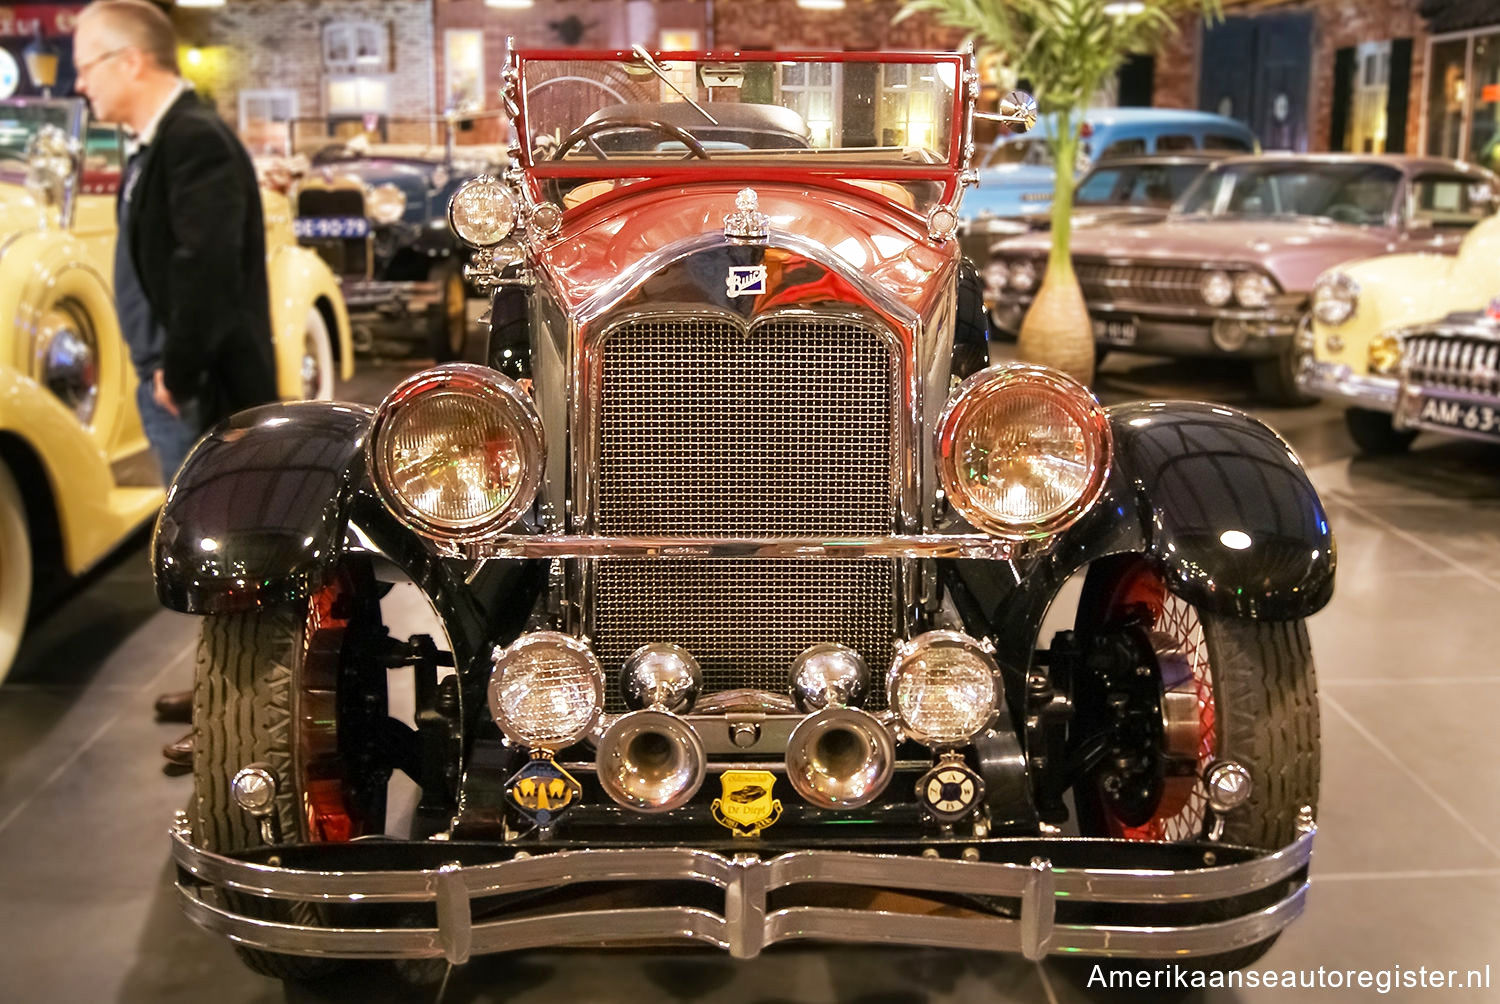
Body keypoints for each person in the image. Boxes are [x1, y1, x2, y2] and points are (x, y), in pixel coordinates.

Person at [74, 0, 280, 766]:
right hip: (174, 376)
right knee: (202, 543)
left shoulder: (192, 140)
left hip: (199, 382)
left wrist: (178, 368)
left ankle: (240, 712)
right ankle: (213, 683)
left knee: (226, 548)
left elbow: (205, 266)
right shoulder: (159, 141)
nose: (79, 82)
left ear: (132, 61)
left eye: (88, 64)